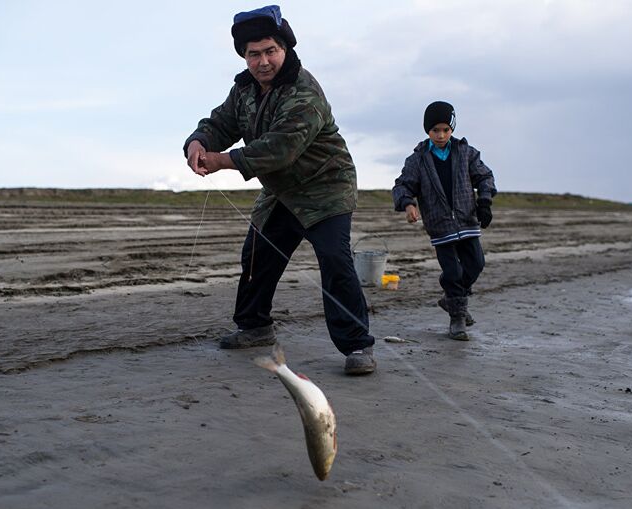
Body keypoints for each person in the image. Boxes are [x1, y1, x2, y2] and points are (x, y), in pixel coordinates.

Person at [183, 5, 375, 375]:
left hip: (326, 187)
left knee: (336, 263)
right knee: (256, 256)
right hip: (280, 192)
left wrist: (220, 160)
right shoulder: (243, 89)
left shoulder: (305, 91)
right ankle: (255, 327)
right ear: (244, 56)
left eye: (270, 50)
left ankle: (358, 346)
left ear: (284, 49)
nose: (263, 61)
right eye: (253, 54)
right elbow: (219, 123)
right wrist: (197, 142)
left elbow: (279, 148)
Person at [392, 101, 497, 340]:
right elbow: (403, 185)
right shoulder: (418, 159)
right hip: (440, 226)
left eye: (445, 130)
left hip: (467, 221)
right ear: (427, 131)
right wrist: (408, 204)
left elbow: (485, 176)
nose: (440, 135)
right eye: (434, 130)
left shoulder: (466, 152)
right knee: (452, 272)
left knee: (476, 264)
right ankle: (457, 319)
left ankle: (451, 299)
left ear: (452, 129)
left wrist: (485, 201)